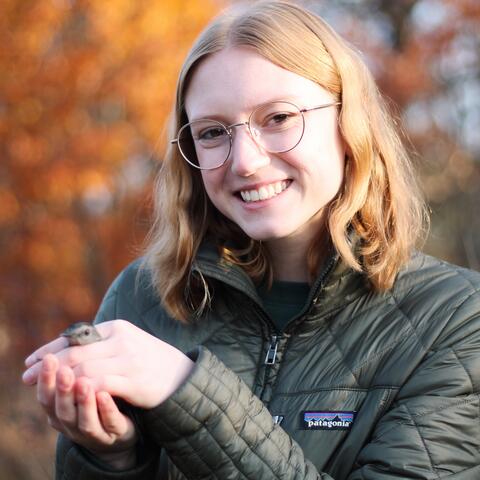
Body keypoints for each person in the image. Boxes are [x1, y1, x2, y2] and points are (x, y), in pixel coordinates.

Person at [22, 1, 480, 478]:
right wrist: (111, 455)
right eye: (213, 132)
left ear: (350, 124)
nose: (244, 160)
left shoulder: (456, 320)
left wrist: (184, 390)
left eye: (278, 118)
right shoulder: (142, 299)